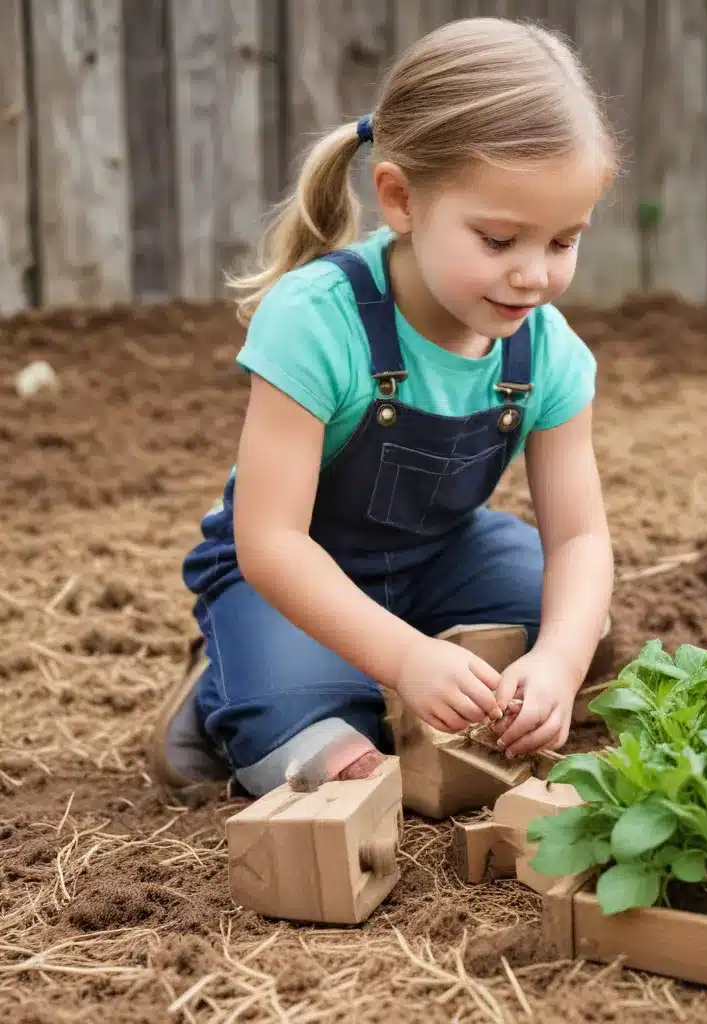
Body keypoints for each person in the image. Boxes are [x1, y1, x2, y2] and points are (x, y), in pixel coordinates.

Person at [148, 16, 617, 799]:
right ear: (400, 200)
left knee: (581, 625)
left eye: (562, 243)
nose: (533, 276)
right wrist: (406, 661)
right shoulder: (316, 321)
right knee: (329, 762)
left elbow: (579, 537)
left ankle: (372, 666)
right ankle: (228, 686)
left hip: (439, 559)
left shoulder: (548, 351)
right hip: (290, 574)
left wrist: (559, 666)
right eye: (500, 241)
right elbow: (269, 543)